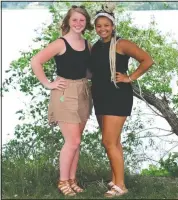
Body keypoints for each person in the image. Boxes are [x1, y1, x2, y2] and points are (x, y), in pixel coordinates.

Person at [89, 3, 154, 198]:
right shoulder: (96, 46)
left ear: (113, 26)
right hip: (100, 96)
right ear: (95, 28)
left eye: (106, 25)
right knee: (114, 141)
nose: (102, 29)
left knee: (108, 141)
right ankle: (116, 179)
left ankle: (121, 186)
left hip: (117, 95)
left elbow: (147, 60)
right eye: (98, 26)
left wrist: (130, 77)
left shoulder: (121, 44)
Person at [31, 5, 93, 197]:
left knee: (77, 141)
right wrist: (48, 83)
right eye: (74, 20)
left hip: (83, 91)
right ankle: (63, 181)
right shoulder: (60, 43)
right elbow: (36, 61)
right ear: (67, 21)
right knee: (72, 141)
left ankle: (72, 180)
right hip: (64, 93)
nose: (78, 23)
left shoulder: (87, 44)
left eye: (82, 20)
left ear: (86, 23)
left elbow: (88, 71)